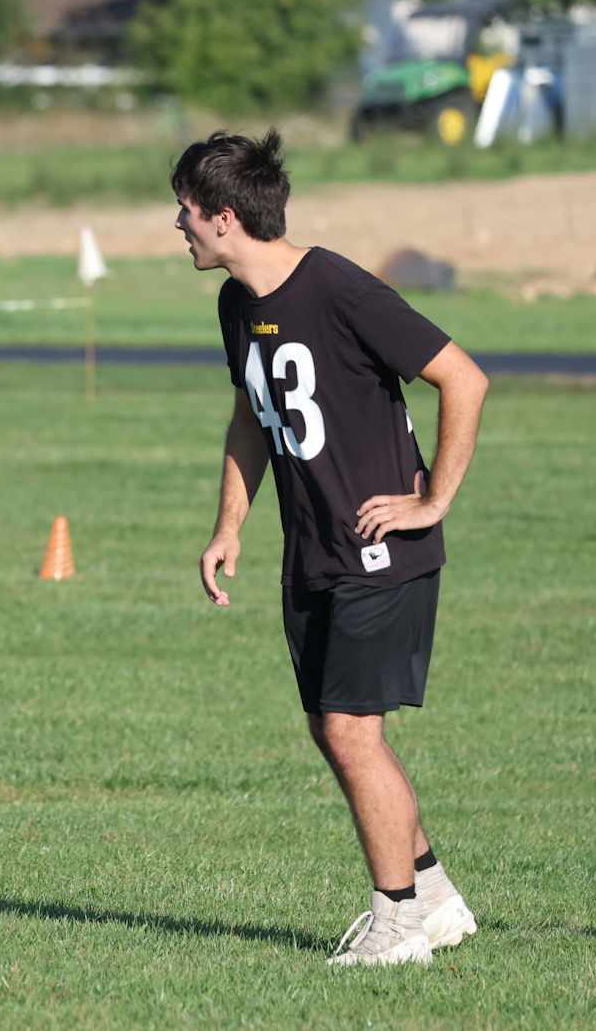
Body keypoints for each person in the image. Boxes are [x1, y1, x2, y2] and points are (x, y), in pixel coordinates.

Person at [177, 132, 489, 966]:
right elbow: (251, 417)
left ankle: (398, 924)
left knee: (352, 733)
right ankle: (434, 896)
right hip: (311, 548)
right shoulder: (236, 303)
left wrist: (433, 500)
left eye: (186, 209)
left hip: (380, 550)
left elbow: (464, 377)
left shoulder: (340, 287)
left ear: (225, 217)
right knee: (333, 729)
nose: (179, 224)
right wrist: (229, 525)